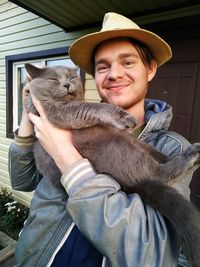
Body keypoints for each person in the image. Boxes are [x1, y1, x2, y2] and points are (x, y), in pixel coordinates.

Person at [8, 12, 193, 267]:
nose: (114, 74)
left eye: (127, 62)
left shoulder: (174, 149)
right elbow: (21, 181)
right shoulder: (70, 122)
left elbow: (152, 256)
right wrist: (30, 114)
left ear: (150, 69)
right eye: (103, 66)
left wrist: (71, 163)